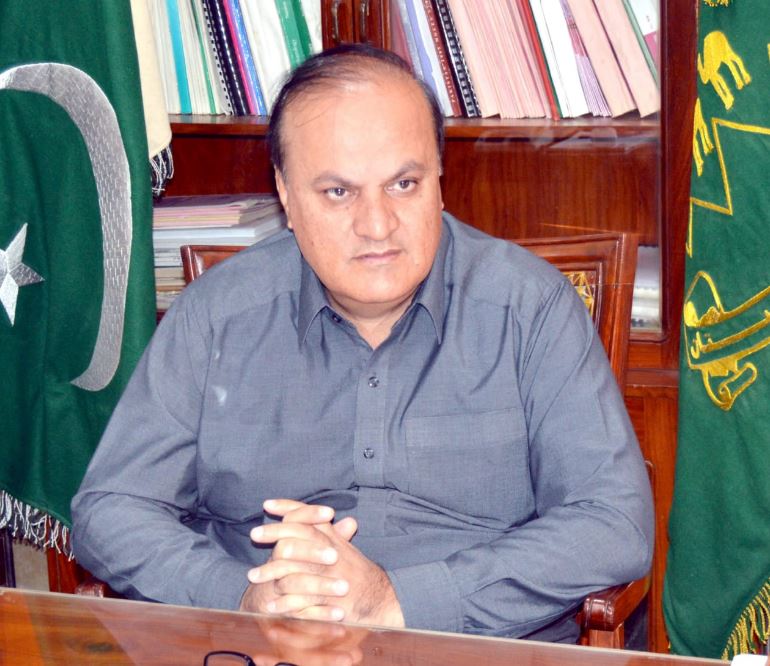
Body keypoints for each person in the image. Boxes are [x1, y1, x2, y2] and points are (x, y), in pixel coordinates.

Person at [71, 44, 653, 643]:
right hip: (262, 647)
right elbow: (110, 509)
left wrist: (399, 600)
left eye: (404, 183)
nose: (377, 225)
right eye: (338, 192)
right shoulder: (216, 315)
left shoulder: (530, 308)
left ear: (440, 180)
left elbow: (613, 524)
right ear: (286, 194)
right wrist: (241, 595)